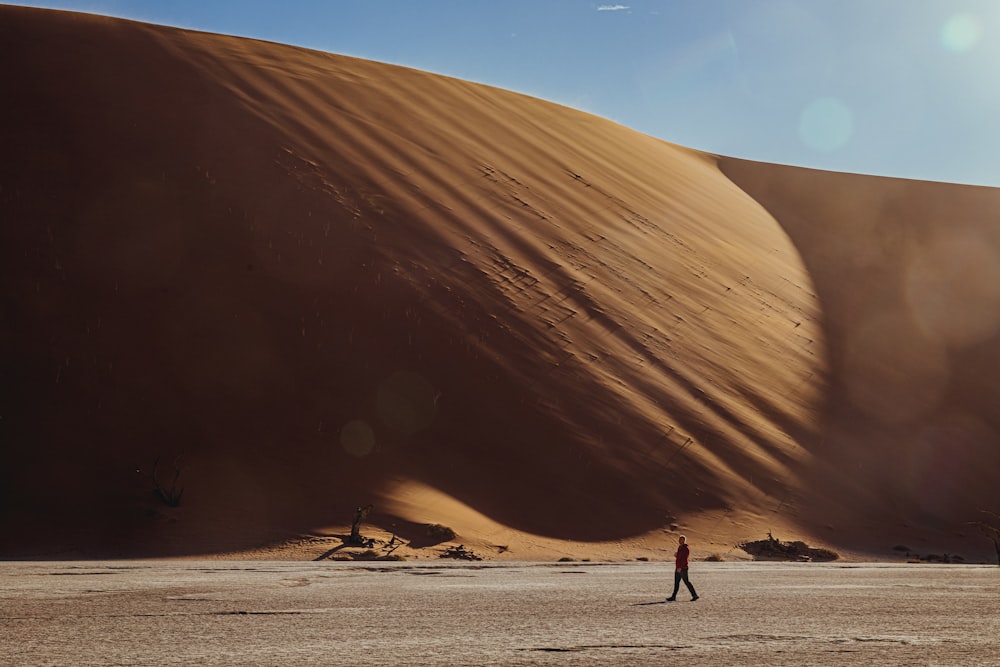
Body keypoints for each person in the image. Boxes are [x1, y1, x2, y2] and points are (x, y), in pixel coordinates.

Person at [667, 535, 699, 602]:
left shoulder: (685, 548)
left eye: (681, 539)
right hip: (678, 567)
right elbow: (680, 557)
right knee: (676, 583)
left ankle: (695, 595)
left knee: (686, 582)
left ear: (684, 540)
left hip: (683, 568)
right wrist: (676, 555)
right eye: (679, 539)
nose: (679, 541)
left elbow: (684, 559)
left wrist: (680, 567)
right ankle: (673, 596)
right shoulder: (680, 547)